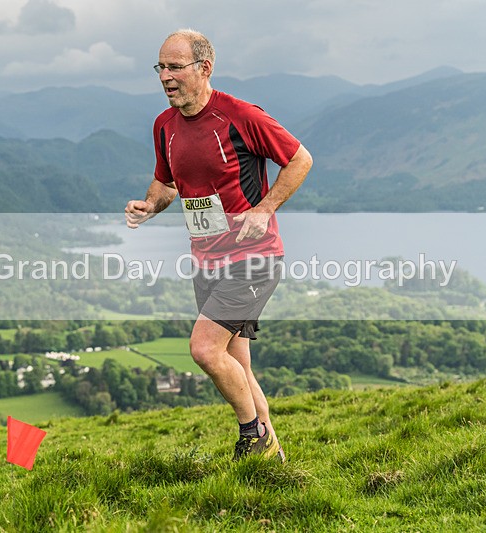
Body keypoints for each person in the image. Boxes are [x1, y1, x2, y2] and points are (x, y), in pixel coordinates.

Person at [124, 29, 312, 462]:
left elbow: (300, 159)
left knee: (204, 349)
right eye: (161, 68)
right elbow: (166, 183)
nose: (165, 77)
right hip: (206, 261)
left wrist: (265, 208)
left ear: (204, 68)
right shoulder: (164, 125)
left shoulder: (240, 115)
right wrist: (149, 204)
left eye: (174, 67)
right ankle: (273, 462)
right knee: (239, 367)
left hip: (254, 257)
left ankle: (253, 436)